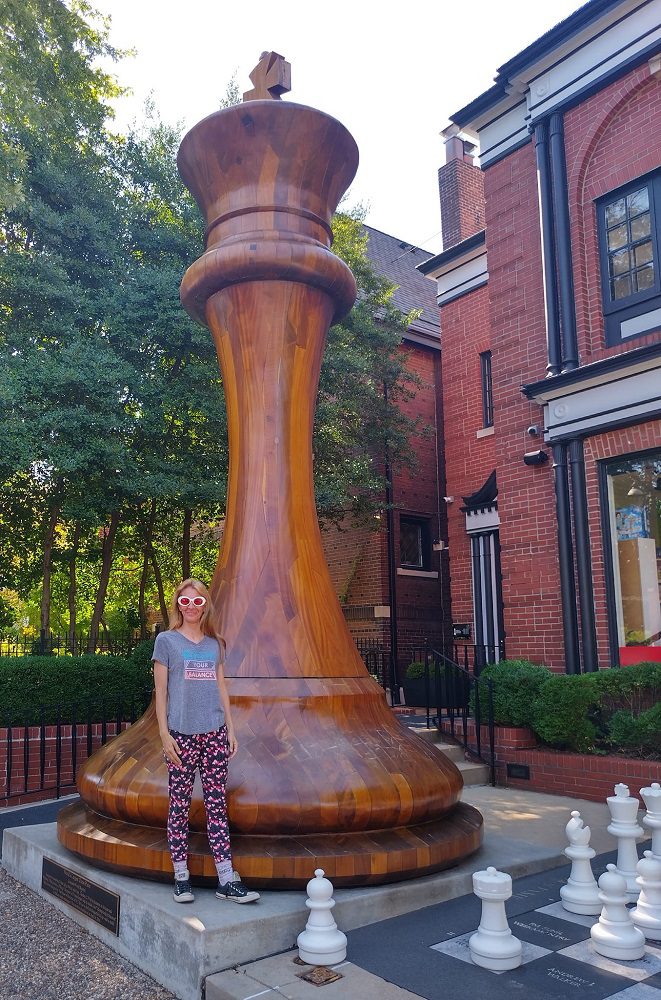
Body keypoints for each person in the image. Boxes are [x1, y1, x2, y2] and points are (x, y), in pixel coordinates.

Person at [153, 578, 259, 904]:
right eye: (185, 602)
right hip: (181, 735)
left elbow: (222, 688)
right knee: (179, 805)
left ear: (206, 606)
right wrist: (164, 734)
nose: (191, 608)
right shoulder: (166, 642)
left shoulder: (215, 644)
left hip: (213, 733)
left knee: (216, 805)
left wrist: (230, 728)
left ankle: (226, 879)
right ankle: (181, 876)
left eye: (197, 602)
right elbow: (161, 692)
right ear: (177, 606)